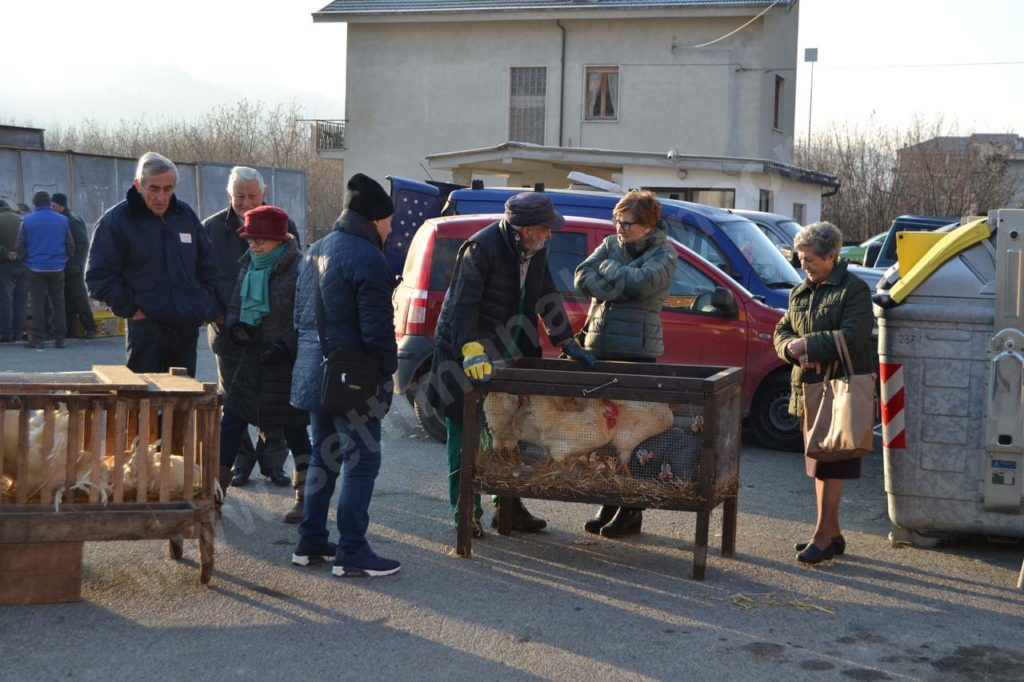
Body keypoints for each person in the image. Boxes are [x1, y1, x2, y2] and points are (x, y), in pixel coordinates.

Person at [425, 191, 595, 538]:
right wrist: (470, 349)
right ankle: (465, 515)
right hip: (466, 352)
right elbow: (463, 305)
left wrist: (566, 340)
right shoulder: (480, 248)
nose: (551, 235)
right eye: (546, 229)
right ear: (526, 229)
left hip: (512, 351)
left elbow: (547, 295)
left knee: (509, 433)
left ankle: (509, 510)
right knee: (466, 435)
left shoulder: (536, 250)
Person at [289, 173, 401, 577]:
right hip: (351, 378)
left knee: (323, 455)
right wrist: (389, 369)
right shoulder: (368, 256)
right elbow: (376, 329)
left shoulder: (316, 248)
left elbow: (299, 317)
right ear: (376, 219)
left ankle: (311, 542)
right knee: (362, 461)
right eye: (389, 221)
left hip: (313, 373)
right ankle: (352, 550)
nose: (392, 228)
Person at [573, 189, 677, 538]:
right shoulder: (610, 244)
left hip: (637, 353)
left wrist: (609, 274)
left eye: (627, 224)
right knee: (602, 431)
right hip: (600, 347)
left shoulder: (664, 253)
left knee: (631, 433)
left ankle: (631, 508)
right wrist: (617, 282)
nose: (620, 229)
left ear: (647, 224)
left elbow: (644, 283)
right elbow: (580, 277)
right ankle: (608, 498)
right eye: (617, 221)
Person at [773, 221, 873, 564]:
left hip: (839, 390)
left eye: (810, 259)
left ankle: (822, 536)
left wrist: (808, 346)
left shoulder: (854, 289)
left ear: (832, 256)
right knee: (819, 465)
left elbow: (856, 334)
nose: (803, 265)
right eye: (800, 259)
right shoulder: (800, 291)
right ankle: (832, 533)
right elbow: (783, 329)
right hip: (809, 391)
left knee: (830, 467)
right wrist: (791, 348)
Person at [204, 166, 301, 498]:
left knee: (285, 417)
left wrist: (286, 343)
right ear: (229, 195)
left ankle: (277, 466)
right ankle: (231, 473)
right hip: (233, 341)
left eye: (252, 196)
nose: (245, 202)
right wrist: (226, 320)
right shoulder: (213, 230)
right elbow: (206, 284)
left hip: (279, 353)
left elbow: (304, 311)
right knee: (234, 409)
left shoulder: (289, 240)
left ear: (264, 195)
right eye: (239, 196)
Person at [217, 206, 311, 518]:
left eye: (260, 239)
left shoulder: (300, 268)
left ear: (280, 239)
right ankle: (213, 494)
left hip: (284, 362)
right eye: (250, 238)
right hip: (251, 359)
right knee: (231, 421)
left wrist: (286, 346)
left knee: (295, 428)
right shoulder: (248, 265)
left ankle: (304, 497)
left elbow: (309, 319)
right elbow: (234, 306)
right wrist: (236, 328)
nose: (253, 244)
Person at [86, 152, 217, 376]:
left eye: (168, 189)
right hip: (146, 331)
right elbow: (98, 277)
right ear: (138, 185)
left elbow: (208, 265)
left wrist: (200, 306)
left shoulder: (184, 215)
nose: (161, 197)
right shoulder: (116, 221)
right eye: (154, 189)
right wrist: (134, 309)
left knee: (181, 402)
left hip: (184, 328)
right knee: (145, 400)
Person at [16, 191, 72, 349]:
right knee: (59, 302)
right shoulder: (63, 220)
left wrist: (25, 260)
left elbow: (20, 245)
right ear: (49, 203)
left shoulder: (26, 220)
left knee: (37, 304)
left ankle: (38, 339)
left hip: (35, 268)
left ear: (35, 203)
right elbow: (70, 245)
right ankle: (60, 338)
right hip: (57, 268)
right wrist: (64, 260)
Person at [51, 193, 98, 339]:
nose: (51, 209)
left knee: (79, 299)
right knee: (67, 299)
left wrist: (77, 264)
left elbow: (83, 244)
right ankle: (71, 330)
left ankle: (91, 328)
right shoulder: (65, 219)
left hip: (73, 267)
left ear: (61, 206)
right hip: (66, 266)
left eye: (53, 206)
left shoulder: (71, 220)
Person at [0, 199, 27, 343]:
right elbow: (28, 240)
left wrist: (6, 253)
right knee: (20, 301)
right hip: (23, 265)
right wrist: (19, 252)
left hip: (5, 266)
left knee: (6, 301)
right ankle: (18, 334)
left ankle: (6, 334)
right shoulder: (21, 219)